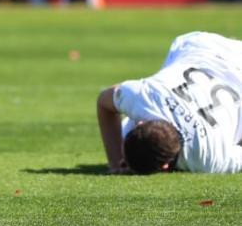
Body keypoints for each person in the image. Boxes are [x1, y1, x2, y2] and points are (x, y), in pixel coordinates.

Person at [97, 31, 242, 174]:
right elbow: (104, 100)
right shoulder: (144, 97)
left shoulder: (207, 159)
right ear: (141, 123)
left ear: (164, 166)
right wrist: (116, 161)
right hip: (202, 47)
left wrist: (115, 164)